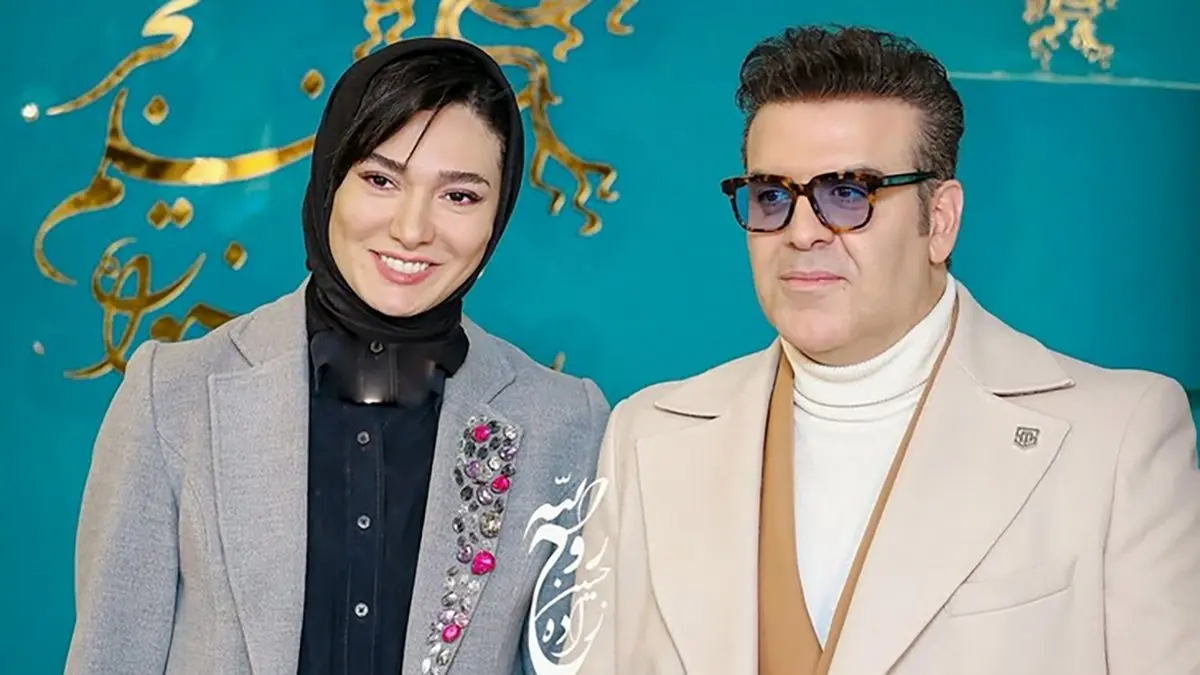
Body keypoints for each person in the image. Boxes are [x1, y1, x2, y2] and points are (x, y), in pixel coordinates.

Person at [574, 26, 1200, 675]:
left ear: (941, 220)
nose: (802, 233)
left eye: (848, 194)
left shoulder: (1116, 438)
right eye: (772, 196)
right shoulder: (647, 435)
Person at [64, 38, 609, 675]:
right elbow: (111, 655)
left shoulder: (564, 423)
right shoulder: (174, 393)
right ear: (329, 180)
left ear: (499, 213)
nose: (412, 229)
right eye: (380, 180)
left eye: (459, 196)